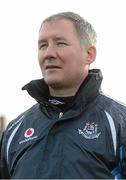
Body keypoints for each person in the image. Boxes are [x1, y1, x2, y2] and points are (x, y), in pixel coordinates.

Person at [0, 11, 126, 179]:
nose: (48, 53)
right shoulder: (15, 130)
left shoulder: (119, 123)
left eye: (60, 43)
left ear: (89, 54)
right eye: (43, 45)